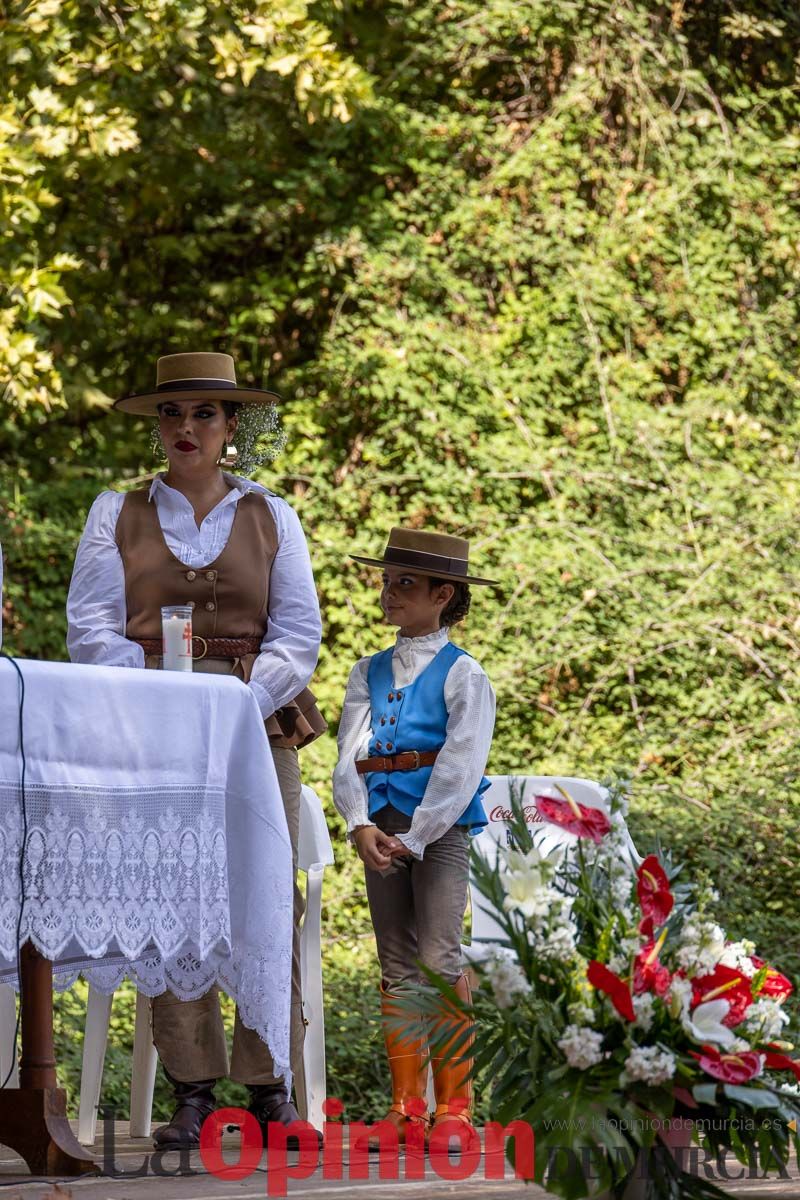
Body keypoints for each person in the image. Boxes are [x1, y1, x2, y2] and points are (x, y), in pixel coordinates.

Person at [66, 351, 325, 1148]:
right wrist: (160, 696)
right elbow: (90, 629)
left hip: (254, 715)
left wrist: (238, 701)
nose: (185, 427)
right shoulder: (117, 511)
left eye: (203, 414)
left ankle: (269, 1082)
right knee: (165, 889)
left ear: (231, 427)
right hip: (148, 721)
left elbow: (300, 634)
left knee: (265, 894)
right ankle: (192, 1088)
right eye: (172, 413)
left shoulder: (272, 515)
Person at [332, 527, 496, 1145]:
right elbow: (351, 751)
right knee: (397, 963)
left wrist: (420, 833)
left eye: (403, 583)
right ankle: (408, 1108)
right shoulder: (367, 671)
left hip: (442, 828)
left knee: (438, 956)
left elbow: (462, 764)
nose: (387, 592)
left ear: (442, 594)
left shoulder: (465, 675)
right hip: (382, 828)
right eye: (385, 580)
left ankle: (456, 1109)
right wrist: (360, 822)